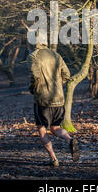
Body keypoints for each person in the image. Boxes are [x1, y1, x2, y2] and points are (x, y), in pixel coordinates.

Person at [27, 39, 80, 167]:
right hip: (59, 99)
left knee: (42, 129)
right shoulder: (56, 55)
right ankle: (69, 140)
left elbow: (35, 75)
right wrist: (58, 86)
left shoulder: (33, 56)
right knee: (55, 127)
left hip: (43, 100)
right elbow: (66, 74)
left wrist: (32, 87)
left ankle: (53, 159)